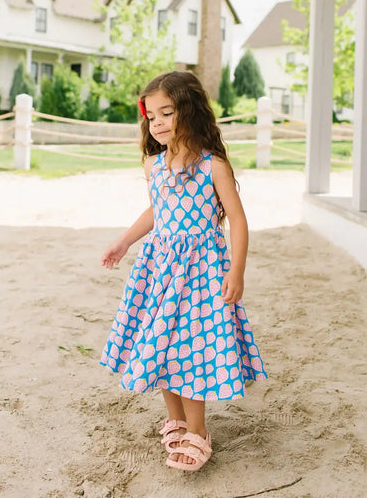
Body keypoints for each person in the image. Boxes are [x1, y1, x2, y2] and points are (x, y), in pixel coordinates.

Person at [100, 71, 267, 471]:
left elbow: (238, 220)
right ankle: (175, 419)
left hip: (201, 273)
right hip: (159, 270)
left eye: (167, 113)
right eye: (151, 116)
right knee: (161, 341)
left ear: (189, 111)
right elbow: (157, 210)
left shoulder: (213, 166)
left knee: (190, 348)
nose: (156, 123)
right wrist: (124, 242)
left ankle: (198, 430)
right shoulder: (153, 166)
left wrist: (237, 272)